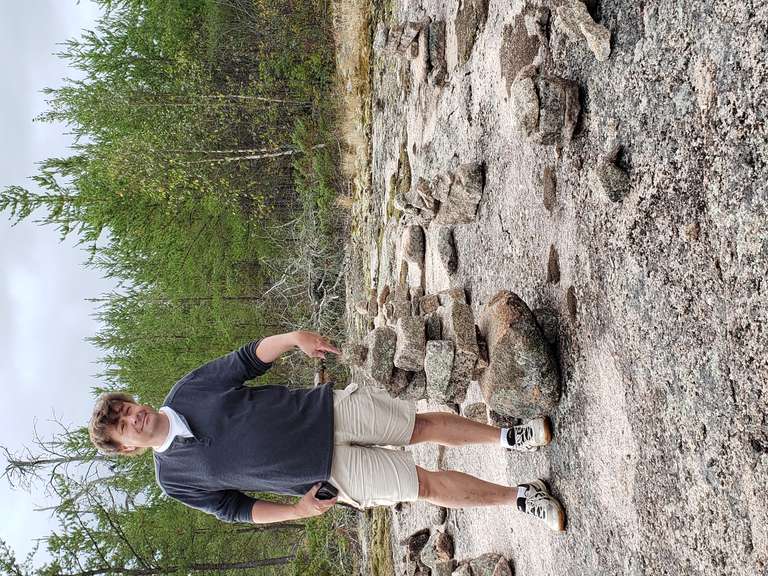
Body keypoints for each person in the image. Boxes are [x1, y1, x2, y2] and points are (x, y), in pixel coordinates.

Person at [88, 331, 566, 531]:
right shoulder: (173, 479)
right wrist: (296, 510)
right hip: (326, 474)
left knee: (419, 426)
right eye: (123, 427)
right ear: (127, 447)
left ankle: (507, 436)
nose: (132, 419)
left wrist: (294, 339)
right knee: (422, 485)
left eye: (127, 409)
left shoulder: (187, 391)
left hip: (328, 412)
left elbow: (246, 360)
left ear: (136, 403)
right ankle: (521, 498)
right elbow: (233, 508)